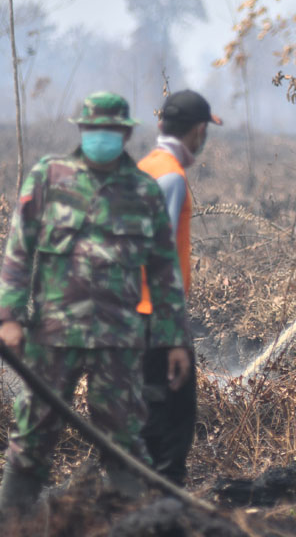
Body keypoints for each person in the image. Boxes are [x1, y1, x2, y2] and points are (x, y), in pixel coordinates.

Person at [0, 91, 191, 509]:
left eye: (110, 130)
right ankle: (13, 524)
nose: (101, 136)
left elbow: (163, 272)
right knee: (32, 438)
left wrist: (174, 339)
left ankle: (132, 523)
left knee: (123, 441)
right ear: (82, 131)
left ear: (124, 134)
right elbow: (18, 251)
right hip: (53, 336)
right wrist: (9, 318)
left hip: (119, 342)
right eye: (93, 129)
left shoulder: (143, 191)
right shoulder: (49, 177)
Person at [137, 89, 221, 486]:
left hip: (130, 313)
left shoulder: (145, 167)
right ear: (199, 130)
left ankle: (137, 497)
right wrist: (173, 336)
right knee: (174, 421)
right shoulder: (171, 176)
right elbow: (161, 257)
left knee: (147, 413)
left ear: (160, 125)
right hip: (157, 316)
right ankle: (163, 505)